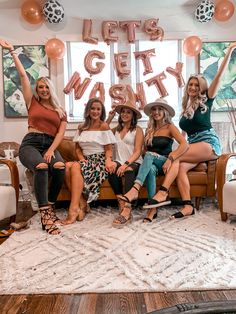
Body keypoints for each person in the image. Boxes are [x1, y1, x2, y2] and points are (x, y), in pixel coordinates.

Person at [144, 42, 236, 219]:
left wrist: (230, 50)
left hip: (208, 143)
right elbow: (184, 136)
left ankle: (162, 193)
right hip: (192, 145)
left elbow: (219, 75)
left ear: (201, 87)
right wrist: (177, 149)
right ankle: (188, 206)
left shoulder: (207, 100)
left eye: (196, 85)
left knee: (176, 157)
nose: (193, 87)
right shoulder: (186, 108)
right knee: (179, 168)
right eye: (190, 85)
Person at [0, 39, 67, 235]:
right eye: (40, 88)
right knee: (41, 166)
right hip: (31, 143)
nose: (43, 90)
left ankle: (49, 207)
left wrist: (52, 150)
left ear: (51, 89)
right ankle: (46, 214)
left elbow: (60, 134)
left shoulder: (60, 110)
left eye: (46, 87)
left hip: (50, 145)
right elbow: (22, 75)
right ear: (37, 90)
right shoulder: (32, 103)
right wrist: (12, 51)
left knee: (60, 167)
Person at [117, 98, 188, 225]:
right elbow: (144, 151)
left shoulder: (170, 127)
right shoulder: (149, 129)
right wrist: (144, 156)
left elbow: (184, 145)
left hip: (165, 162)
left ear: (165, 112)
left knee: (150, 155)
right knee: (149, 168)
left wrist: (171, 158)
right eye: (154, 109)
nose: (156, 112)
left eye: (160, 109)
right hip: (151, 163)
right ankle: (153, 209)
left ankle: (135, 189)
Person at [62, 98, 116, 225]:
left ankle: (73, 209)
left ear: (101, 111)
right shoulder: (81, 127)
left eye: (98, 109)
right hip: (86, 160)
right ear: (88, 110)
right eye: (93, 108)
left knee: (74, 167)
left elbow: (108, 149)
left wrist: (108, 161)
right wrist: (81, 159)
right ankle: (82, 203)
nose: (95, 111)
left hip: (99, 161)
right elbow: (77, 148)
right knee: (66, 166)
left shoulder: (104, 126)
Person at [106, 101, 144, 226]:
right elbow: (102, 132)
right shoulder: (115, 130)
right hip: (119, 160)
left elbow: (138, 151)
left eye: (128, 112)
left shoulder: (137, 130)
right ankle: (120, 200)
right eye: (123, 112)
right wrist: (110, 118)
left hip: (134, 161)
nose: (125, 114)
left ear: (133, 115)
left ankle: (127, 208)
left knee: (128, 170)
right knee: (110, 168)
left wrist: (125, 164)